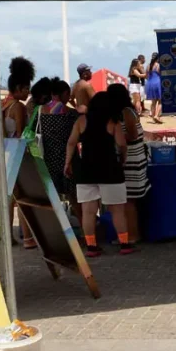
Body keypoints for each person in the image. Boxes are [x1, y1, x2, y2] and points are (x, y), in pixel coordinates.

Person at [65, 92, 135, 257]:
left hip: (86, 171)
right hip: (110, 170)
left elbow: (71, 142)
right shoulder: (113, 122)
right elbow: (121, 144)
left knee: (88, 211)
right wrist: (123, 158)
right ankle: (124, 244)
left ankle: (91, 246)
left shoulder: (81, 121)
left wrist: (67, 162)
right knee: (117, 210)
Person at [107, 84, 151, 243]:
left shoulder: (126, 112)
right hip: (134, 158)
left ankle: (132, 235)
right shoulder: (127, 111)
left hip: (131, 159)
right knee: (128, 200)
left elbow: (132, 135)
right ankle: (131, 234)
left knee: (128, 201)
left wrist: (115, 137)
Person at [3, 57, 36, 249]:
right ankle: (28, 238)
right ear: (18, 88)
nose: (28, 92)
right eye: (26, 89)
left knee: (9, 198)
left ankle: (8, 235)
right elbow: (23, 135)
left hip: (5, 153)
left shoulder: (3, 105)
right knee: (23, 198)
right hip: (18, 155)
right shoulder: (20, 108)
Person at [145, 52, 162, 124]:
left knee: (153, 102)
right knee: (161, 101)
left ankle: (152, 117)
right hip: (157, 83)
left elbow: (146, 76)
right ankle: (156, 116)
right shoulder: (158, 65)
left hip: (149, 83)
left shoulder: (148, 66)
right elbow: (161, 74)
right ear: (158, 58)